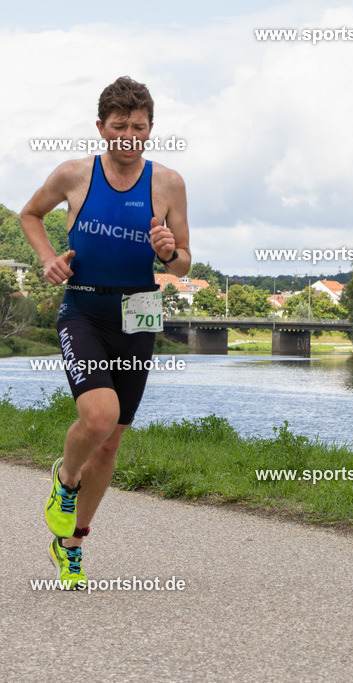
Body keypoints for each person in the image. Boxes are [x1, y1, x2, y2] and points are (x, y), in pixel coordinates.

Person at [20, 76, 191, 589]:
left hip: (140, 310)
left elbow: (184, 263)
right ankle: (64, 480)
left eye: (139, 128)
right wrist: (49, 259)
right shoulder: (74, 175)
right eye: (119, 127)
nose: (128, 137)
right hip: (85, 306)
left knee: (112, 443)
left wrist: (168, 253)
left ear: (150, 130)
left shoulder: (168, 183)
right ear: (101, 128)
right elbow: (30, 214)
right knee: (99, 417)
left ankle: (70, 544)